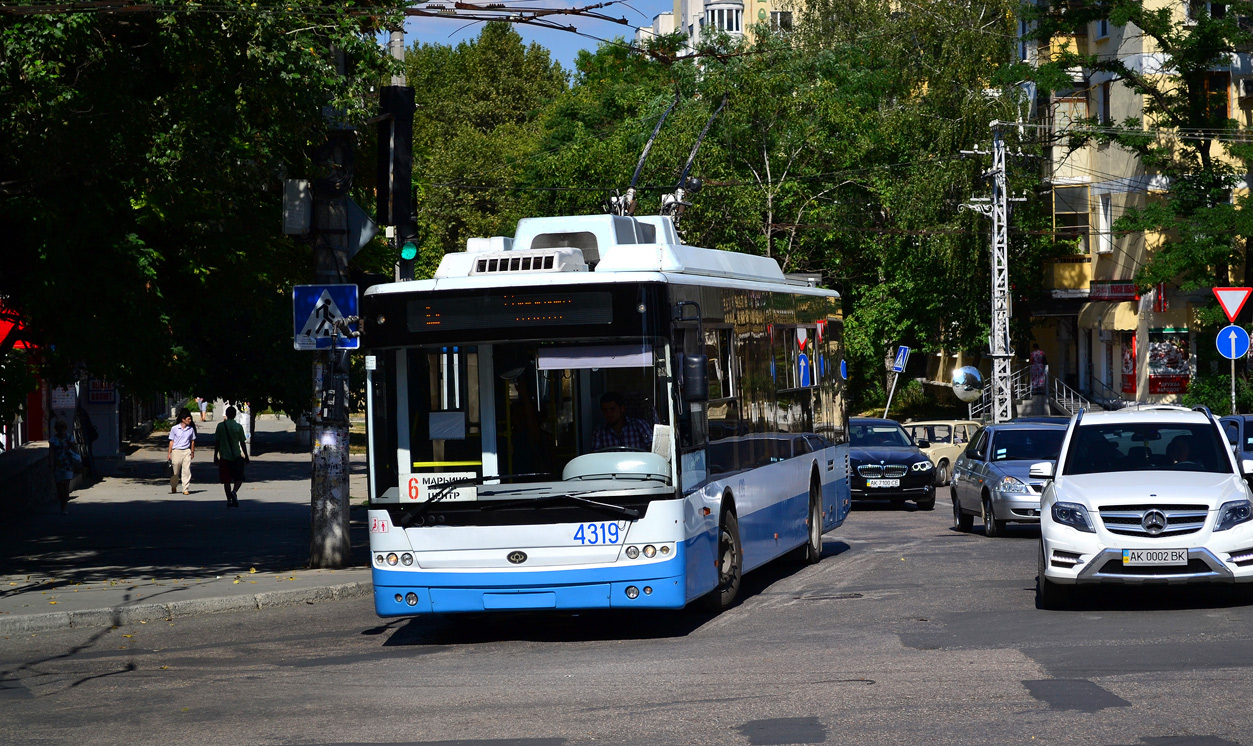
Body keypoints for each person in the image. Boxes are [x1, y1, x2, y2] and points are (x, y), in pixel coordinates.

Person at [213, 405, 249, 508]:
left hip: (224, 456)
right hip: (236, 456)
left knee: (226, 480)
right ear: (234, 415)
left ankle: (229, 500)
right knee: (239, 477)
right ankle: (234, 491)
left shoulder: (220, 426)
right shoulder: (238, 427)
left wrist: (215, 455)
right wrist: (246, 456)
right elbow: (242, 442)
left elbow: (217, 442)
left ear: (227, 415)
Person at [49, 420, 81, 514]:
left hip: (68, 464)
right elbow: (51, 452)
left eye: (62, 427)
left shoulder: (69, 438)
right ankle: (62, 502)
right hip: (58, 464)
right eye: (59, 427)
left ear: (65, 428)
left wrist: (71, 446)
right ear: (56, 429)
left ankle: (64, 507)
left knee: (66, 486)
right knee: (59, 487)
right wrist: (51, 463)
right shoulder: (53, 440)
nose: (61, 430)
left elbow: (75, 449)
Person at [167, 407, 196, 495]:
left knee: (186, 470)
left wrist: (192, 451)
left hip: (186, 451)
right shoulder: (174, 429)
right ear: (183, 419)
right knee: (175, 471)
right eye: (188, 419)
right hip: (176, 451)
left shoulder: (190, 429)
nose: (190, 420)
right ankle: (174, 485)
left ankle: (185, 488)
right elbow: (171, 441)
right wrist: (169, 453)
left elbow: (192, 441)